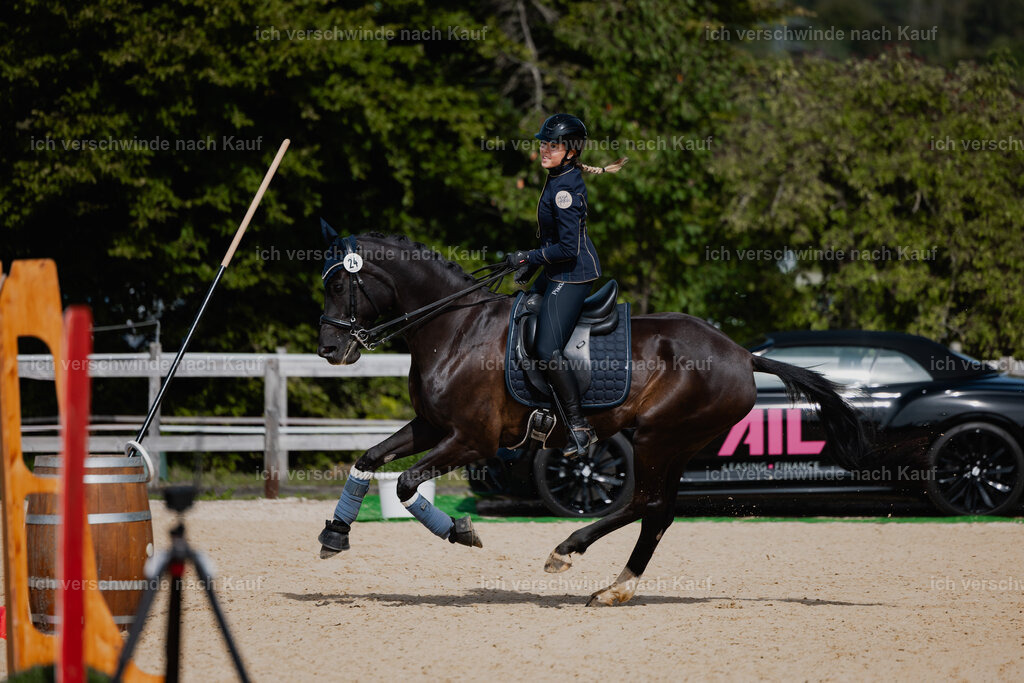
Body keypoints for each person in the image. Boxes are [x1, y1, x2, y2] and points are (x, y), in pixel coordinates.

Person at [506, 113, 626, 458]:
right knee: (519, 306)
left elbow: (568, 249)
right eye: (543, 142)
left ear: (571, 152)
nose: (544, 149)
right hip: (557, 269)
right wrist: (530, 269)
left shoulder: (566, 189)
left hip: (574, 273)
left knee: (547, 350)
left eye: (552, 145)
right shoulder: (558, 176)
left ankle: (579, 426)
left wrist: (529, 257)